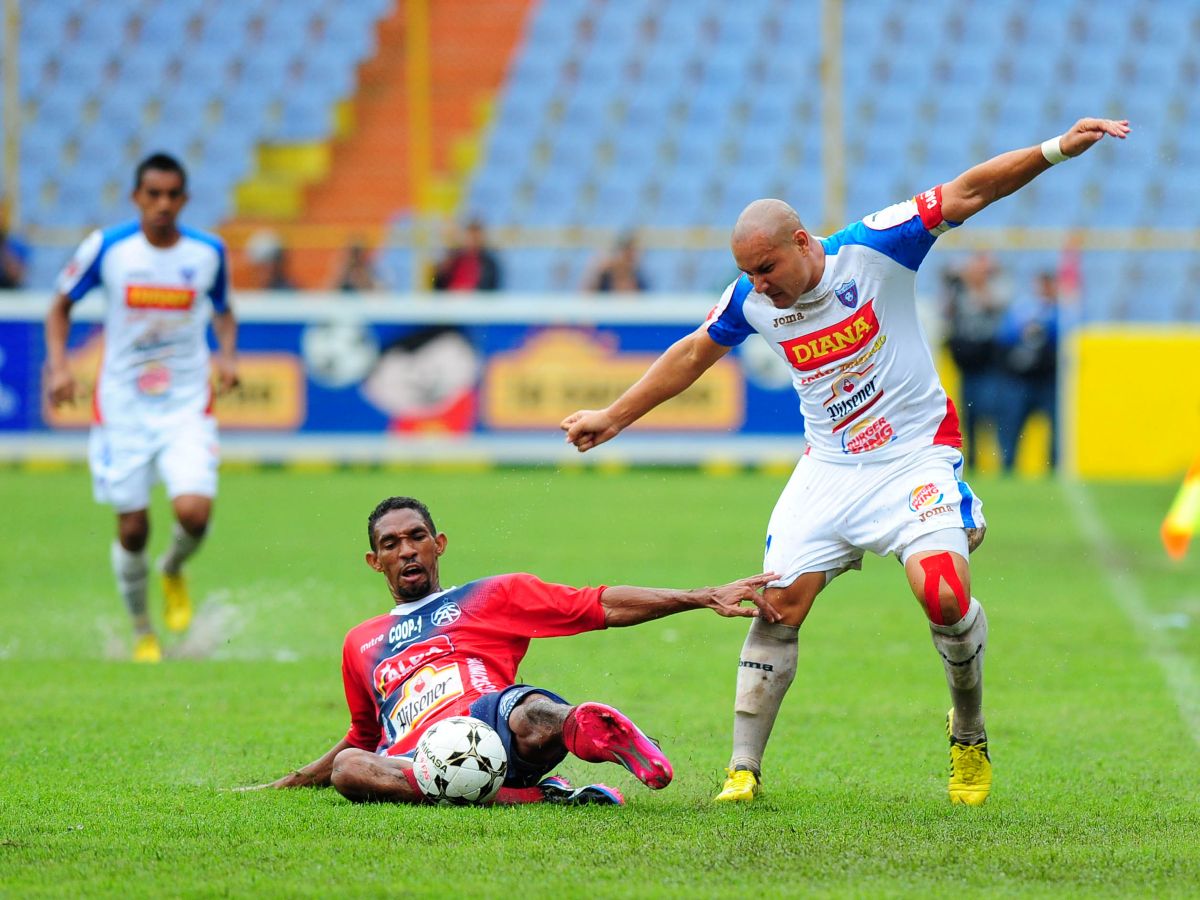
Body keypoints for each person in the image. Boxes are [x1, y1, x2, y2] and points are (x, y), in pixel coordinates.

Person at [562, 118, 1130, 806]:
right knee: (775, 605)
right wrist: (613, 417)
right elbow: (693, 353)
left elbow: (971, 191)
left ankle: (969, 732)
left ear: (802, 242)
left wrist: (1056, 149)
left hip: (914, 457)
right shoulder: (750, 299)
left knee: (945, 593)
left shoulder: (877, 247)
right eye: (748, 273)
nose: (760, 286)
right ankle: (743, 769)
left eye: (767, 268)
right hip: (828, 470)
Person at [247, 496, 777, 805]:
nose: (406, 550)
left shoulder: (490, 596)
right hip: (413, 759)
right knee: (350, 771)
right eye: (391, 544)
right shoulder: (360, 641)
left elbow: (597, 605)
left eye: (416, 537)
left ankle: (587, 727)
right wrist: (289, 782)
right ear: (374, 561)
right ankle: (542, 795)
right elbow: (362, 736)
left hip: (491, 726)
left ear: (440, 544)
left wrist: (699, 596)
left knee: (529, 711)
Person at [44, 153, 239, 663]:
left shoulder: (208, 252)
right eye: (153, 194)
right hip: (124, 406)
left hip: (185, 402)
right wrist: (60, 367)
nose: (163, 204)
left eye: (172, 195)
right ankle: (142, 630)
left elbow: (225, 312)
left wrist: (228, 356)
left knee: (193, 512)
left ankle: (172, 568)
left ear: (184, 199)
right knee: (132, 527)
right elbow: (59, 306)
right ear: (137, 198)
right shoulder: (109, 249)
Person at [941, 252, 1008, 468]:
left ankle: (1001, 458)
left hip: (989, 363)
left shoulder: (997, 288)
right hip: (967, 365)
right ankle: (972, 459)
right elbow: (947, 313)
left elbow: (992, 305)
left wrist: (973, 282)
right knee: (968, 414)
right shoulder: (959, 291)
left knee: (990, 410)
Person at [995, 270, 1060, 472]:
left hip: (1048, 380)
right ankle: (1008, 466)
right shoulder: (1022, 310)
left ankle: (1054, 466)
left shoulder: (1061, 312)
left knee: (1056, 427)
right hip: (1020, 380)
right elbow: (1005, 337)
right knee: (1012, 424)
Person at [432, 218, 502, 291]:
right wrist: (441, 273)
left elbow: (490, 289)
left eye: (476, 238)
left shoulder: (490, 264)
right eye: (470, 237)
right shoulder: (453, 259)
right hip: (451, 299)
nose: (473, 241)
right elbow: (437, 287)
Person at [582, 232, 649, 292]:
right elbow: (585, 298)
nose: (634, 258)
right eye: (628, 254)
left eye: (636, 254)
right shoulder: (604, 277)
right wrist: (596, 271)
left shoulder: (640, 279)